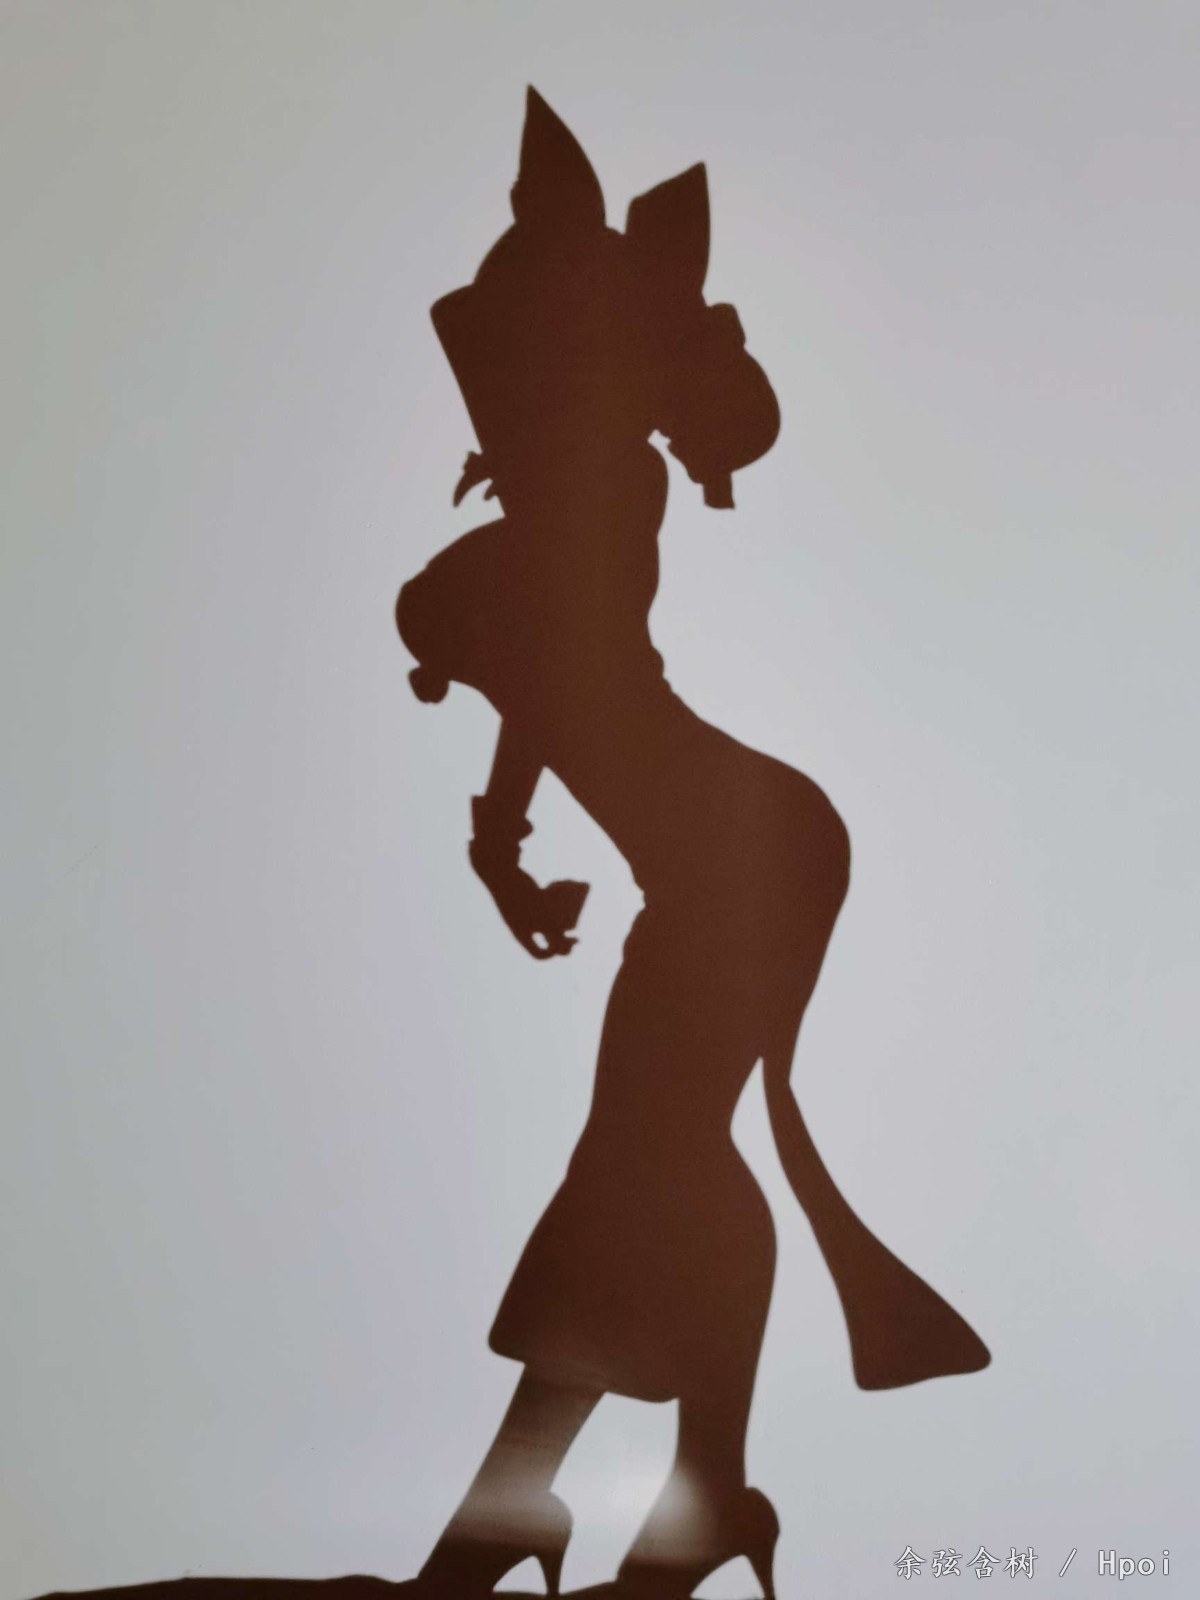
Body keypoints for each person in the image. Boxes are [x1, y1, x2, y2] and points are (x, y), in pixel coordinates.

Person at [396, 89, 989, 1599]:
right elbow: (552, 692)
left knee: (648, 1158)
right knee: (643, 1163)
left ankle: (612, 1505)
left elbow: (560, 675)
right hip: (734, 854)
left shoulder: (600, 493)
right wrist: (499, 843)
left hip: (746, 854)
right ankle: (636, 1501)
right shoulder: (572, 498)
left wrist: (500, 838)